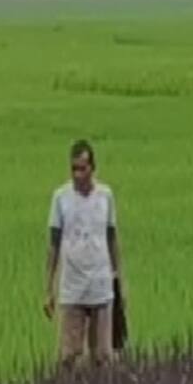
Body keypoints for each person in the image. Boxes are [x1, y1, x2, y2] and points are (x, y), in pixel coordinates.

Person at [45, 139, 125, 369]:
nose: (78, 175)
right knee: (68, 356)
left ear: (93, 168)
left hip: (101, 286)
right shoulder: (60, 198)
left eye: (82, 168)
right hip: (72, 288)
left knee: (103, 356)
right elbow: (53, 244)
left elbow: (112, 238)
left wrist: (118, 278)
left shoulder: (105, 196)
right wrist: (48, 288)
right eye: (74, 169)